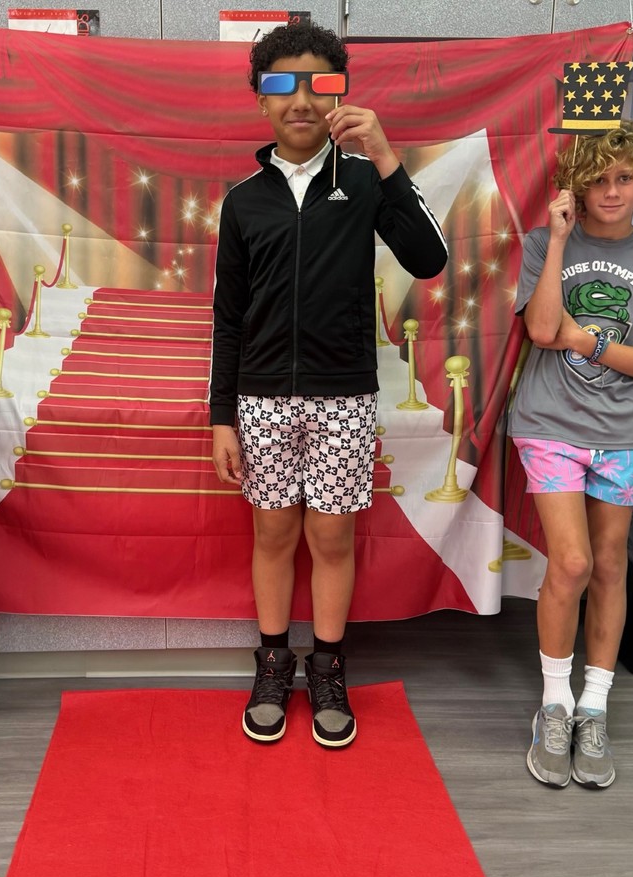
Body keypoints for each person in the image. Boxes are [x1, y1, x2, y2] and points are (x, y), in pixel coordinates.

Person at [209, 23, 448, 748]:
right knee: (274, 532)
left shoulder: (368, 183)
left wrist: (383, 154)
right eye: (282, 84)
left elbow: (430, 257)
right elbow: (227, 315)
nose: (302, 98)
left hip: (344, 396)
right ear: (261, 100)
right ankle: (274, 661)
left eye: (320, 83)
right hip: (260, 399)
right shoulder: (244, 200)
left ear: (341, 93)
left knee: (333, 536)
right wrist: (223, 414)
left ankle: (330, 666)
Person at [510, 120, 633, 788]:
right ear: (577, 187)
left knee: (610, 564)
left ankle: (594, 706)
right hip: (549, 423)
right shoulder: (542, 243)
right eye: (598, 179)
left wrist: (587, 343)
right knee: (575, 559)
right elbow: (539, 328)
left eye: (624, 177)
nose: (612, 191)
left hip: (618, 431)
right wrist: (557, 239)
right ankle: (553, 703)